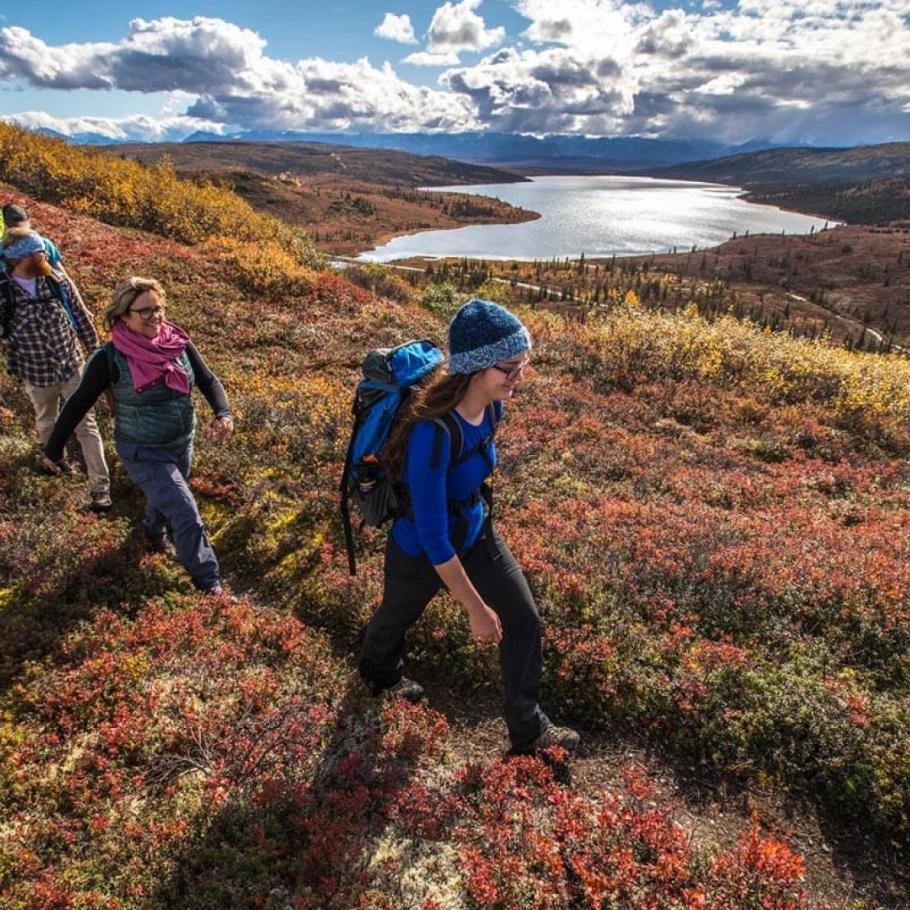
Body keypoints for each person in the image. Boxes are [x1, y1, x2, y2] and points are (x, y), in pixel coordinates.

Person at [358, 299, 580, 754]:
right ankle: (378, 675)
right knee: (394, 619)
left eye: (524, 363)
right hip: (421, 550)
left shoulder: (493, 407)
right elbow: (435, 538)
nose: (519, 375)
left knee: (524, 620)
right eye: (510, 366)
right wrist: (476, 609)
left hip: (476, 530)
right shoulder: (431, 434)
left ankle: (529, 732)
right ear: (475, 368)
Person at [43, 277, 235, 596]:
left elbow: (207, 380)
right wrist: (54, 449)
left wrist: (222, 412)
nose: (155, 316)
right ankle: (210, 583)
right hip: (142, 450)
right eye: (145, 311)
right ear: (124, 315)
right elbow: (78, 403)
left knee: (167, 499)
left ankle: (151, 534)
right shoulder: (110, 358)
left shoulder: (178, 343)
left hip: (181, 441)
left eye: (158, 308)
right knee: (185, 510)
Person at [1, 228, 112, 511]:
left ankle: (100, 488)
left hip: (72, 367)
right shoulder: (4, 294)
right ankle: (56, 461)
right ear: (19, 258)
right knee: (47, 421)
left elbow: (82, 318)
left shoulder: (57, 281)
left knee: (87, 425)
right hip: (36, 374)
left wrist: (98, 354)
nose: (45, 254)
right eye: (38, 251)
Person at [1, 204, 65, 271]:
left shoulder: (2, 247)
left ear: (6, 225)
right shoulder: (44, 243)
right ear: (29, 221)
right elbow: (60, 273)